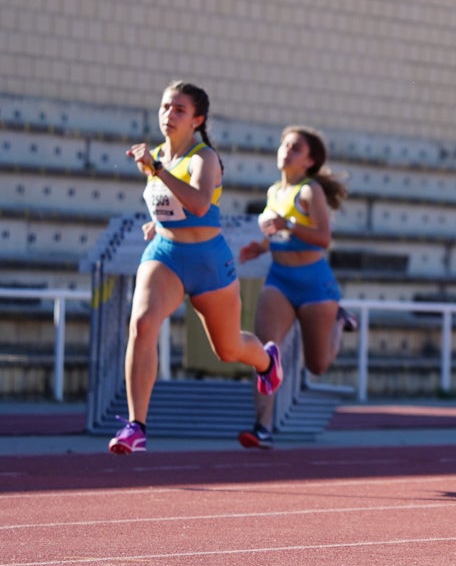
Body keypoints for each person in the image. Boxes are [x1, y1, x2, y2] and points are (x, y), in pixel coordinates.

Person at [109, 81, 283, 454]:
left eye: (179, 110)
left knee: (228, 348)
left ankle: (267, 361)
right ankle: (135, 426)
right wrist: (158, 222)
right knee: (141, 324)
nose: (168, 115)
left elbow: (201, 204)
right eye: (165, 107)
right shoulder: (157, 156)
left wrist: (156, 169)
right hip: (166, 255)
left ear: (197, 120)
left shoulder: (205, 158)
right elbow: (167, 202)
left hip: (208, 261)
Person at [237, 126, 352, 449]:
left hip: (315, 283)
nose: (286, 151)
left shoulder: (309, 191)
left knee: (317, 365)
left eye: (295, 148)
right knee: (264, 353)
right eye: (284, 145)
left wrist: (289, 224)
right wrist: (260, 248)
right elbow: (276, 233)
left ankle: (340, 323)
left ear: (310, 161)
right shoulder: (274, 192)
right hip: (280, 281)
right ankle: (262, 427)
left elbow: (323, 239)